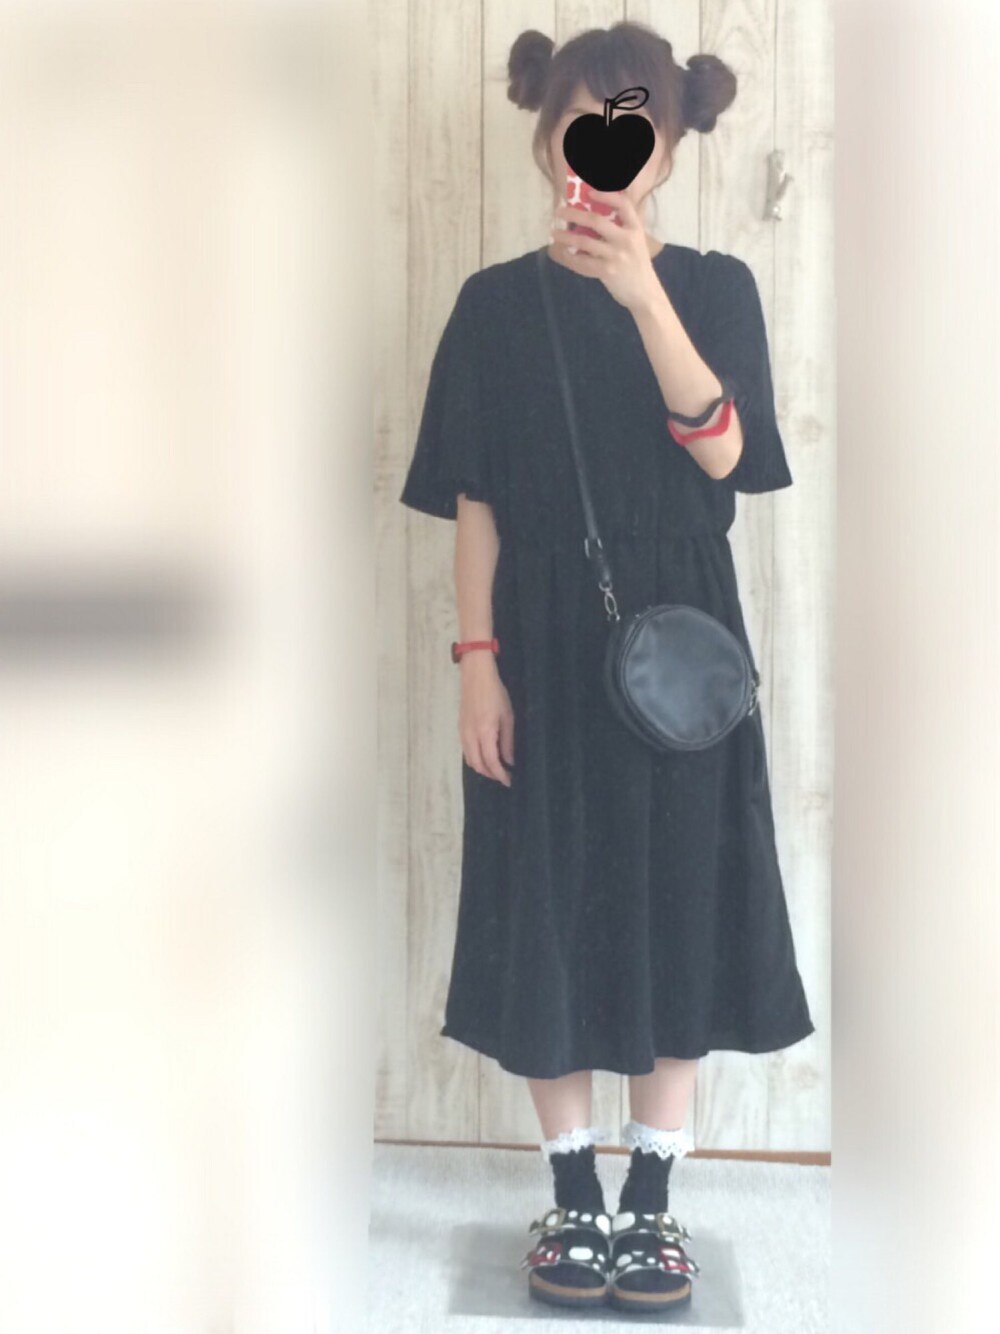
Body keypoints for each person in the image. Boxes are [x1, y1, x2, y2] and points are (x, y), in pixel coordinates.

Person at [398, 20, 815, 1314]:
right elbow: (475, 503)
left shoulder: (717, 288)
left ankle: (653, 1207)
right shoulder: (492, 307)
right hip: (538, 640)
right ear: (547, 138)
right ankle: (574, 1197)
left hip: (684, 649)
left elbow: (726, 455)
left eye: (637, 129)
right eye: (583, 125)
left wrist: (643, 296)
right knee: (547, 901)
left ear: (672, 151)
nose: (607, 152)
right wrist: (478, 663)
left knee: (680, 900)